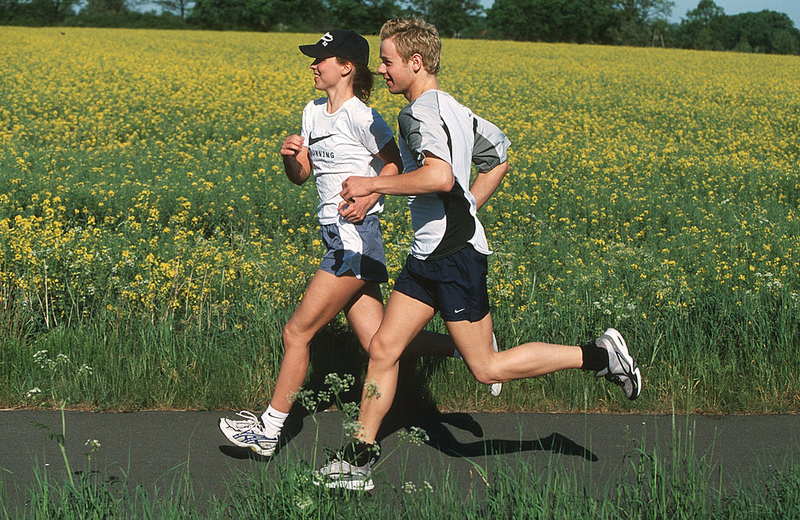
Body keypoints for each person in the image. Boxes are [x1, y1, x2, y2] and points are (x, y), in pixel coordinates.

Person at [314, 18, 642, 491]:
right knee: (384, 347)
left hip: (453, 256)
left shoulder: (418, 114)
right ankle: (358, 458)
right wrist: (467, 205)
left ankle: (598, 355)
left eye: (387, 61)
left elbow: (440, 178)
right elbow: (500, 154)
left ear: (415, 62)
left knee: (486, 366)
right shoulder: (454, 108)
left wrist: (373, 184)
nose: (380, 70)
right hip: (431, 252)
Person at [218, 30, 501, 458]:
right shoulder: (312, 112)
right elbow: (304, 176)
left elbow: (395, 165)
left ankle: (269, 430)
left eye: (322, 59)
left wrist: (370, 194)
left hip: (354, 242)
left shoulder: (364, 117)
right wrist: (291, 159)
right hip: (334, 235)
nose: (313, 65)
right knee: (379, 346)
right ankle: (471, 350)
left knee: (297, 332)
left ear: (346, 67)